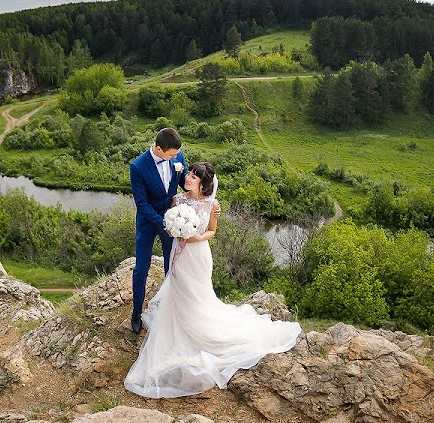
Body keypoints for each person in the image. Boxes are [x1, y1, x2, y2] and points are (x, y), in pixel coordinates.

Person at [124, 163, 302, 399]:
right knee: (178, 289)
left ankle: (197, 328)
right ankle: (180, 322)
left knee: (198, 294)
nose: (187, 177)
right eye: (188, 174)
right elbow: (167, 224)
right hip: (179, 253)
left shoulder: (212, 205)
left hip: (198, 255)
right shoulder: (177, 201)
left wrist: (195, 236)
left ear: (203, 183)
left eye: (193, 176)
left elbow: (211, 232)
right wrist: (174, 230)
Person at [129, 128, 187, 334]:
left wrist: (205, 200)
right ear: (159, 149)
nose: (175, 157)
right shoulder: (137, 167)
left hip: (171, 220)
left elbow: (186, 183)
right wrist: (164, 223)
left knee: (170, 265)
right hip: (148, 222)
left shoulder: (177, 156)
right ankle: (136, 311)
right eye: (171, 155)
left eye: (176, 155)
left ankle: (169, 306)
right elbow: (142, 204)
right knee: (141, 268)